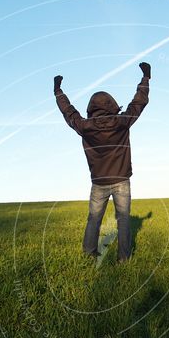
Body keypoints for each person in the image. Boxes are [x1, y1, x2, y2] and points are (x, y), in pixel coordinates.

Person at [53, 62, 150, 262]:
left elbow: (68, 112)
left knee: (94, 219)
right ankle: (124, 259)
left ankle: (89, 254)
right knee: (123, 221)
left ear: (91, 108)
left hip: (98, 182)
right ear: (113, 105)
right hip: (121, 179)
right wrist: (146, 78)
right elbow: (138, 103)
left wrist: (58, 91)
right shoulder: (122, 122)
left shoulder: (84, 126)